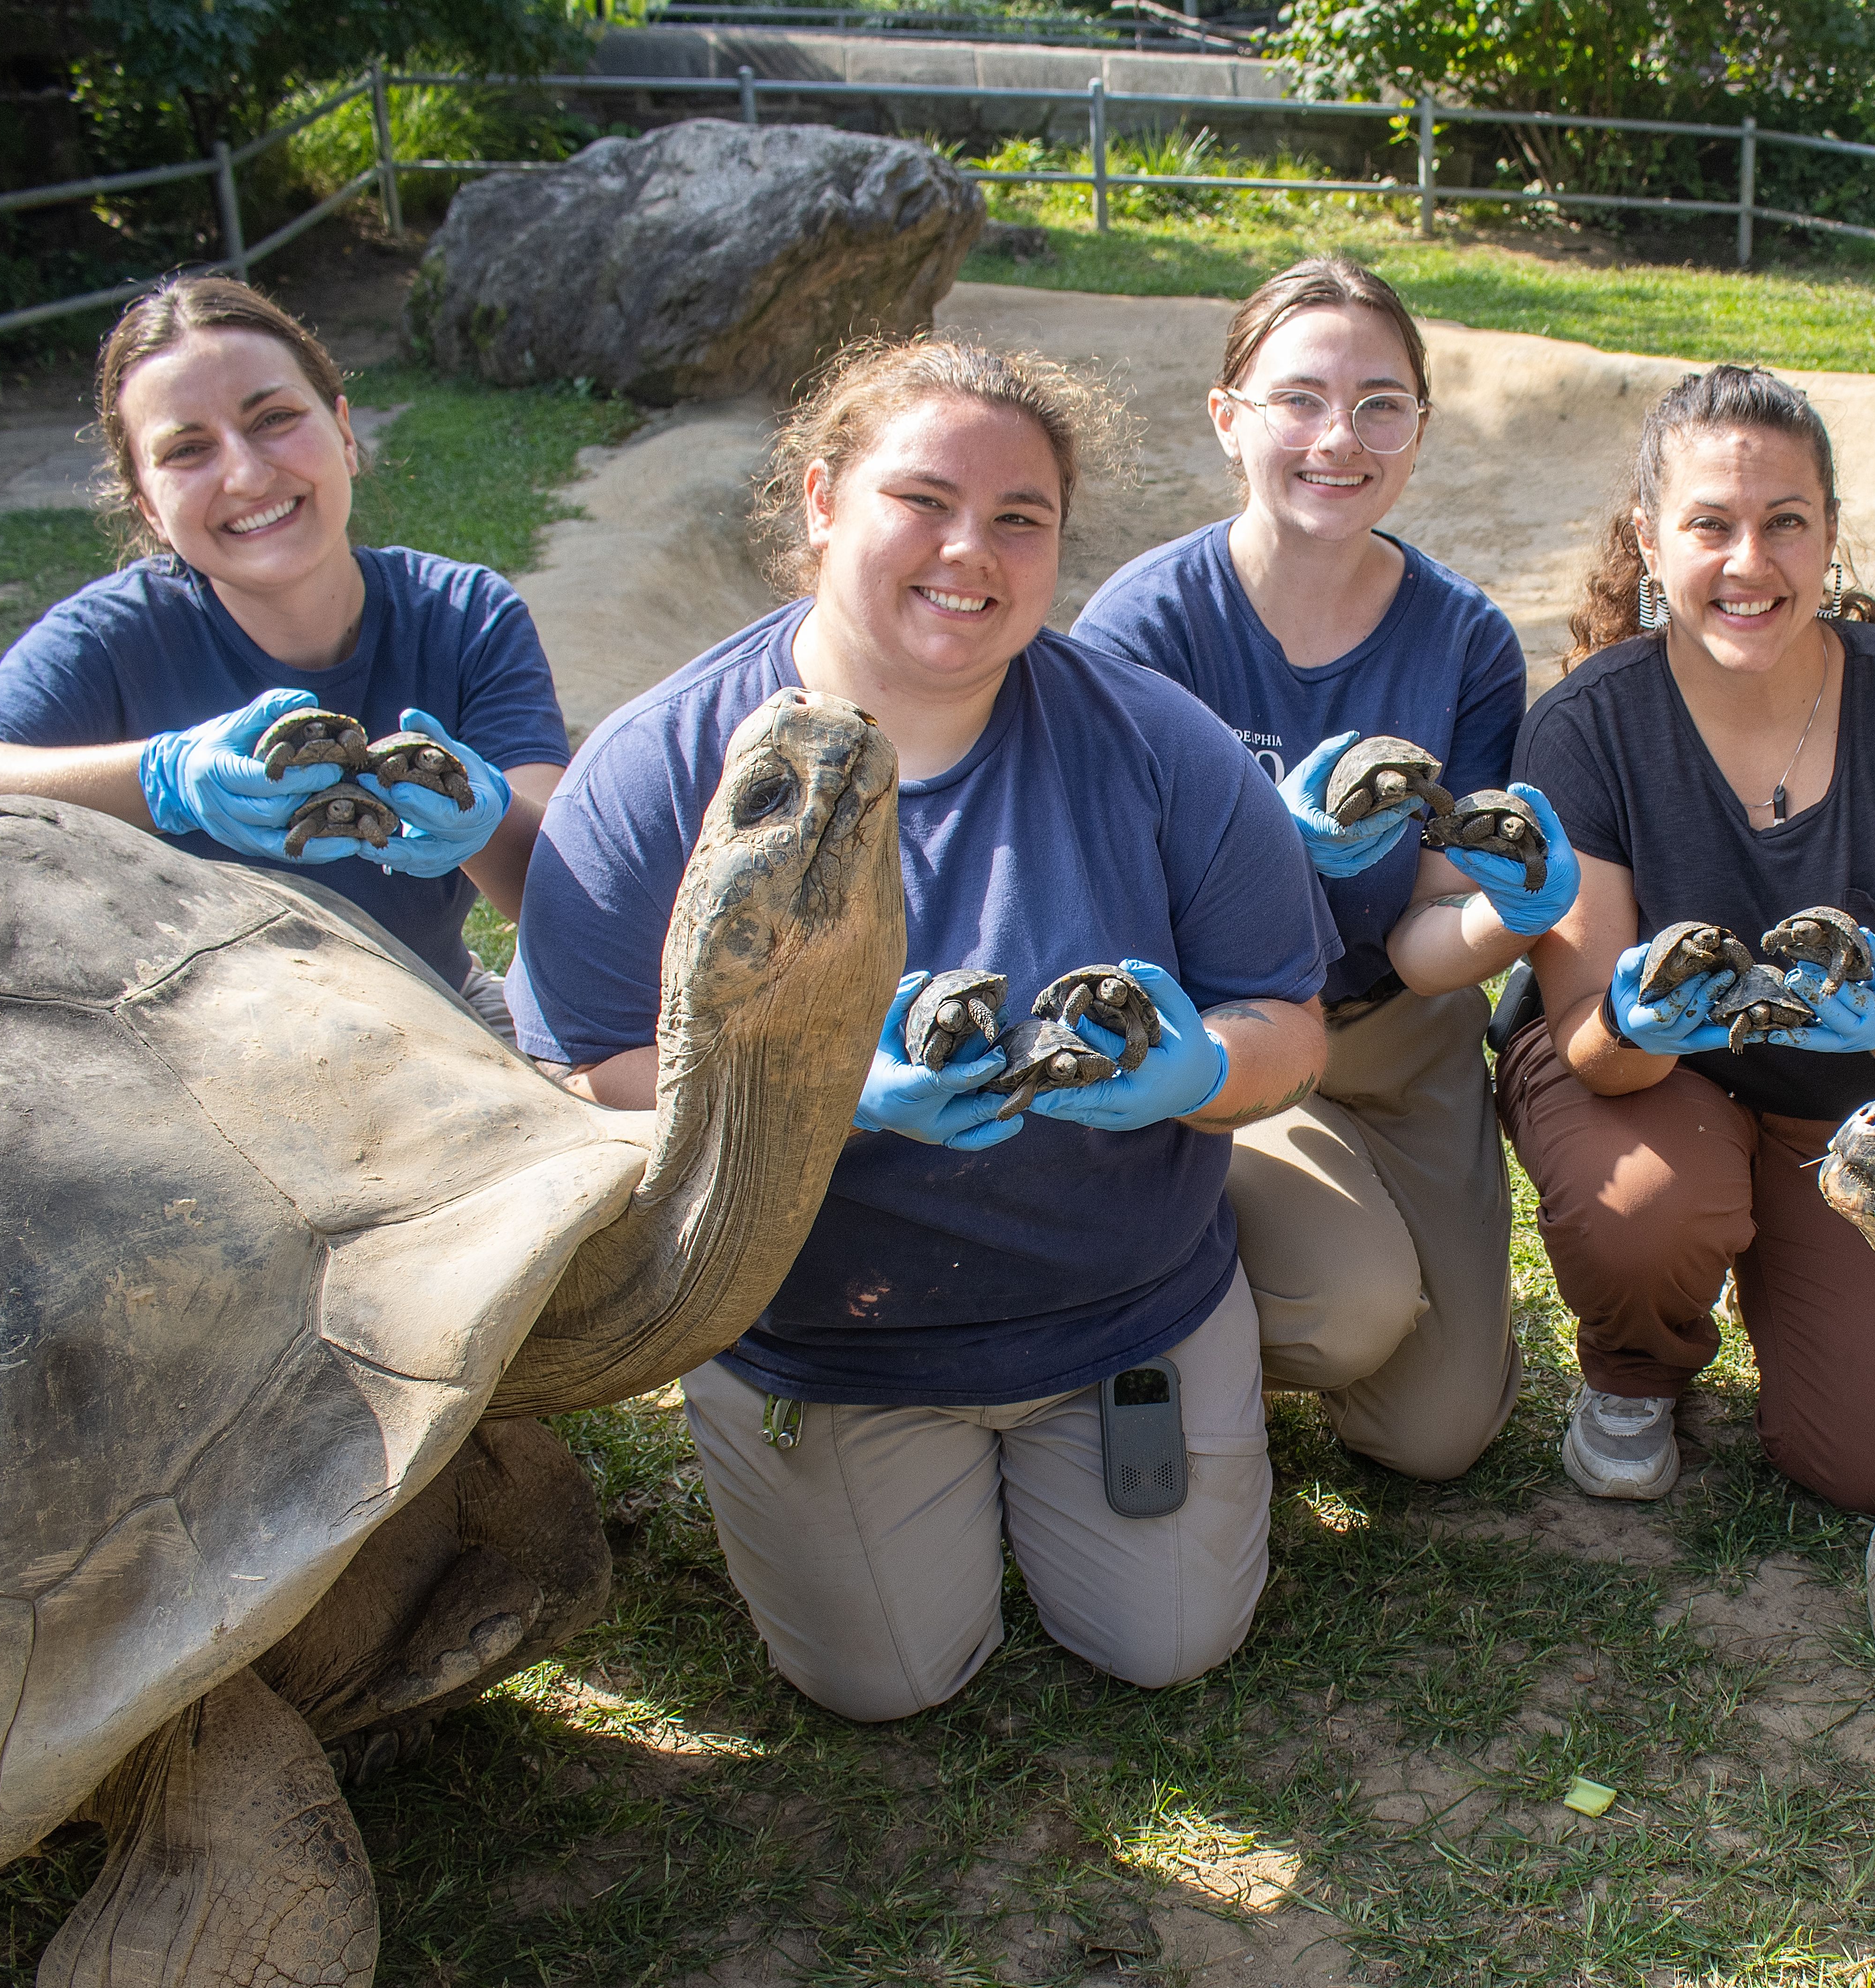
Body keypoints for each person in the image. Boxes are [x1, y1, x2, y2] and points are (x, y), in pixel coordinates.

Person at [507, 338, 1332, 1723]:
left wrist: (1199, 1074)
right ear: (824, 499)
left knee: (1168, 1643)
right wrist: (820, 1101)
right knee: (882, 1680)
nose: (973, 551)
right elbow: (584, 1072)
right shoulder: (662, 767)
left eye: (1022, 518)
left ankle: (1170, 1413)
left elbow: (1292, 1029)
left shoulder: (1154, 740)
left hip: (1126, 1308)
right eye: (923, 500)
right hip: (827, 1338)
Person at [1072, 257, 1564, 1483]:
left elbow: (1422, 940)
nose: (1340, 438)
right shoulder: (1143, 634)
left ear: (1420, 430)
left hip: (1394, 1033)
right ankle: (1153, 1324)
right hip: (1214, 1025)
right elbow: (1102, 915)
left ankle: (1304, 1277)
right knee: (1347, 1309)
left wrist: (1514, 916)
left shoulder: (1464, 639)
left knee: (1439, 1435)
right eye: (1299, 399)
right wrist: (1262, 855)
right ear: (1229, 418)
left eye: (1381, 403)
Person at [1504, 364, 1875, 1511]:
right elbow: (1590, 1036)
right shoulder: (1585, 726)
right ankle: (1636, 1369)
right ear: (1650, 536)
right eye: (1711, 526)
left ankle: (1784, 1253)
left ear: (1831, 533)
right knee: (1650, 1205)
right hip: (1643, 1088)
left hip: (1846, 1099)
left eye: (1787, 523)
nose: (1751, 563)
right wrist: (1642, 1015)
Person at [0, 275, 566, 1033]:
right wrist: (160, 776)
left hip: (435, 1009)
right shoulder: (115, 637)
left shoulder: (465, 617)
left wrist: (482, 815)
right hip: (185, 1058)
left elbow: (567, 881)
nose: (245, 473)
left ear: (343, 430)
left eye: (273, 418)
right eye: (188, 450)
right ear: (147, 505)